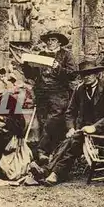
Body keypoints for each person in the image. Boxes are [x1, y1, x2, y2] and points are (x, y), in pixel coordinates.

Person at [38, 60, 104, 186]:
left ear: (96, 74)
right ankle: (49, 170)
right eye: (83, 75)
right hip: (84, 131)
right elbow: (70, 112)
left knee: (75, 140)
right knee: (70, 139)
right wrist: (70, 127)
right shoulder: (79, 89)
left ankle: (55, 172)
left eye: (89, 74)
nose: (86, 77)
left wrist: (94, 127)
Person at [23, 31, 77, 163]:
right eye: (48, 40)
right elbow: (32, 75)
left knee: (52, 120)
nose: (50, 43)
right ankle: (49, 153)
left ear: (59, 42)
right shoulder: (41, 55)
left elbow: (73, 75)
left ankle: (42, 151)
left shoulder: (66, 55)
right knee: (42, 121)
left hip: (59, 94)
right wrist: (25, 65)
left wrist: (58, 67)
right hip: (42, 93)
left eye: (53, 40)